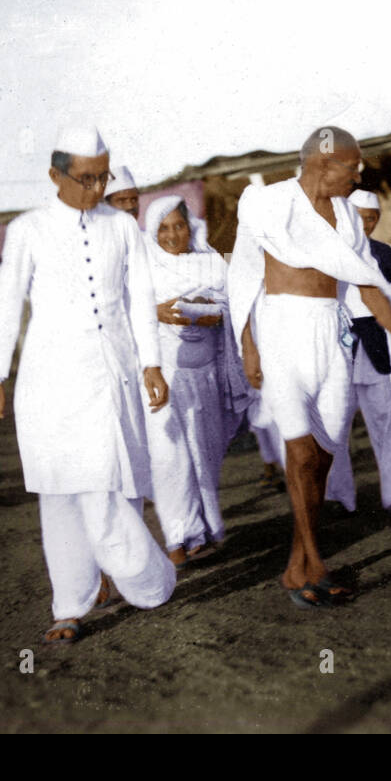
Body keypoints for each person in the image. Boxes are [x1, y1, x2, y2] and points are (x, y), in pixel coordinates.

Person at [0, 126, 177, 645]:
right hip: (50, 378)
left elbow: (139, 297)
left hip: (113, 371)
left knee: (107, 483)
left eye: (103, 176)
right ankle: (70, 604)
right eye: (86, 178)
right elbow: (6, 302)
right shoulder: (29, 229)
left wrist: (152, 363)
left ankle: (148, 582)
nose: (96, 188)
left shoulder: (121, 227)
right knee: (60, 493)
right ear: (55, 176)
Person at [228, 127, 391, 609]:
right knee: (301, 453)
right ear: (323, 165)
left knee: (324, 455)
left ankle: (296, 565)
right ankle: (314, 564)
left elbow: (366, 282)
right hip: (283, 328)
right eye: (354, 167)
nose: (359, 174)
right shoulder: (266, 203)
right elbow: (243, 274)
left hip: (333, 333)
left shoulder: (347, 217)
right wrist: (248, 346)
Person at [141, 194, 248, 565]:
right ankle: (177, 537)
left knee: (205, 455)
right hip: (164, 375)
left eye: (179, 225)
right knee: (170, 458)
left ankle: (201, 527)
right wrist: (156, 312)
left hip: (207, 375)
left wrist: (208, 314)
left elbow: (232, 307)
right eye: (164, 228)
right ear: (153, 231)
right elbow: (130, 312)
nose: (173, 235)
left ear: (191, 227)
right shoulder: (143, 266)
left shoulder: (210, 263)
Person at [325, 189, 391, 519]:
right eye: (357, 216)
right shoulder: (327, 251)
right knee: (335, 425)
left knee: (384, 420)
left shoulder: (386, 254)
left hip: (374, 343)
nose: (364, 224)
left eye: (371, 218)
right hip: (336, 344)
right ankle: (337, 495)